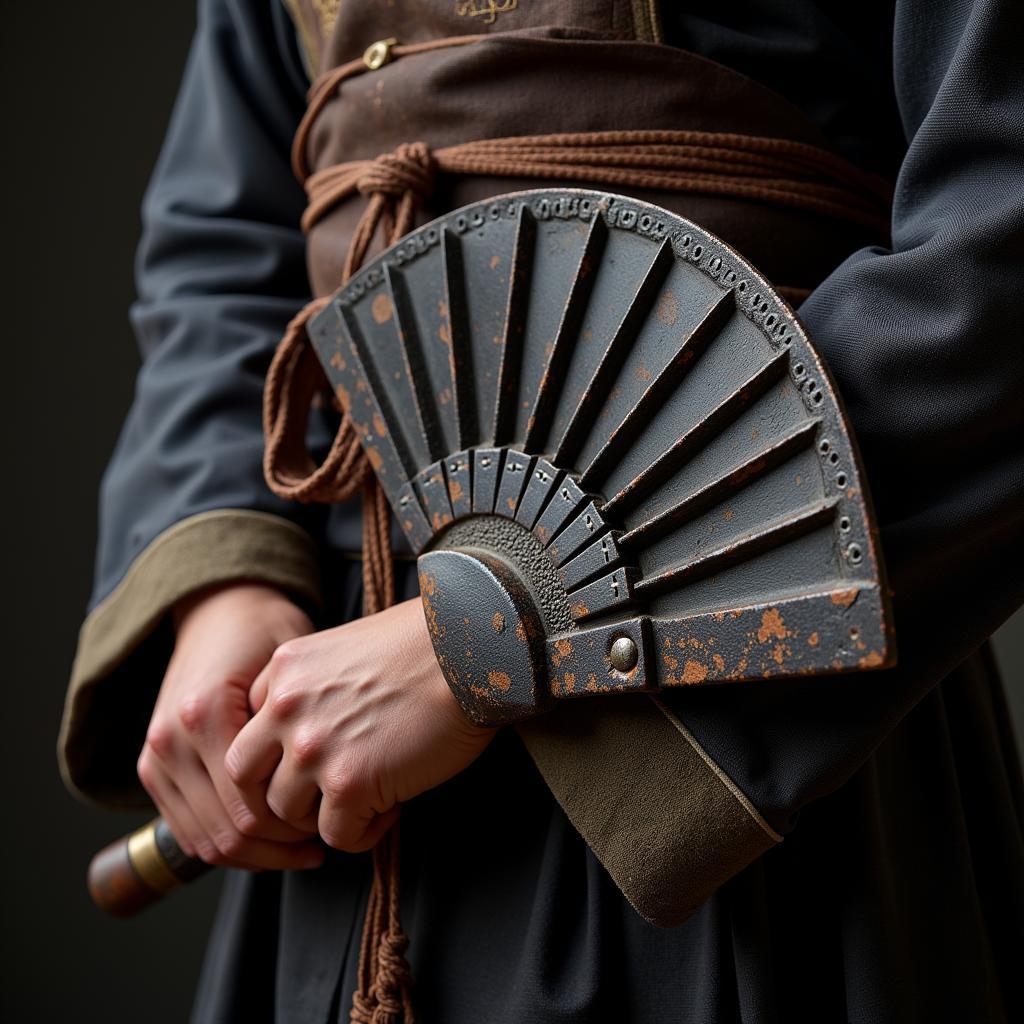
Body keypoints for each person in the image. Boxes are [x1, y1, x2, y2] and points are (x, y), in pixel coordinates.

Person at [60, 1, 1023, 1021]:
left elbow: (997, 244)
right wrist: (226, 582)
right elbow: (226, 240)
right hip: (335, 718)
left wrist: (498, 624)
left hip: (738, 702)